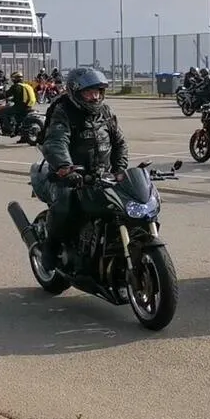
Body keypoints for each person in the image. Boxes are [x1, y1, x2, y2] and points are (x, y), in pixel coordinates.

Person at [39, 67, 129, 273]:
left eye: (97, 91)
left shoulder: (106, 112)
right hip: (73, 176)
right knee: (65, 206)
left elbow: (120, 143)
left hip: (103, 177)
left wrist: (120, 169)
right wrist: (65, 167)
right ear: (76, 93)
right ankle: (50, 247)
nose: (94, 96)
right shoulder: (64, 111)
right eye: (88, 92)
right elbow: (56, 142)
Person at [0, 72, 37, 141]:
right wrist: (12, 99)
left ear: (15, 79)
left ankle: (9, 129)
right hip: (28, 106)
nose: (12, 80)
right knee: (20, 119)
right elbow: (20, 97)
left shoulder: (16, 86)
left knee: (2, 111)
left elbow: (6, 94)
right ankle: (24, 137)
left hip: (19, 107)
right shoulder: (26, 85)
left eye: (13, 78)